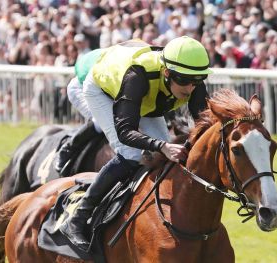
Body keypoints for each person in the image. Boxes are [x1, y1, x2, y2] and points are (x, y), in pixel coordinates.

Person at [58, 36, 212, 251]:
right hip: (104, 91)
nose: (190, 88)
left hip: (147, 98)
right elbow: (125, 132)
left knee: (165, 158)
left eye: (196, 81)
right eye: (184, 81)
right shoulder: (137, 76)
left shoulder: (191, 81)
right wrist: (161, 146)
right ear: (167, 73)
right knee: (131, 154)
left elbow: (206, 128)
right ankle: (77, 218)